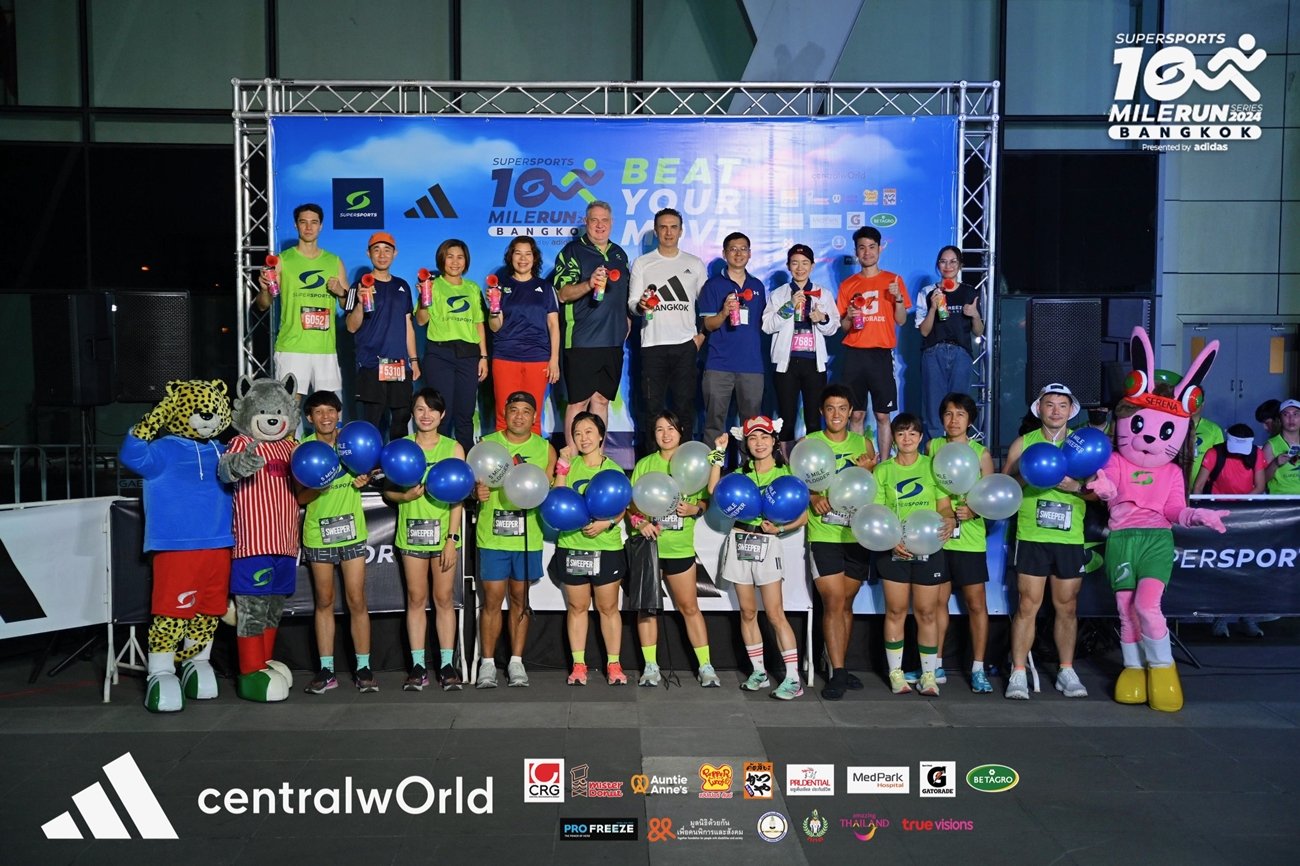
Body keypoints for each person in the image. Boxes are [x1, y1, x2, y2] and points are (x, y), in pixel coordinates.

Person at [1002, 384, 1092, 701]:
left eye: (1062, 405)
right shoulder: (1024, 443)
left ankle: (1066, 670)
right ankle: (1018, 672)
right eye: (1049, 404)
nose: (1055, 410)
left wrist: (1076, 487)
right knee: (1027, 605)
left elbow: (1100, 492)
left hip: (1069, 537)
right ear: (1039, 409)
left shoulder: (1082, 445)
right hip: (1032, 536)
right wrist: (1027, 475)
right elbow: (1003, 487)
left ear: (1071, 411)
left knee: (1067, 606)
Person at [707, 416, 806, 700]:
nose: (759, 443)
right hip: (739, 542)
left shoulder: (785, 475)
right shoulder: (741, 475)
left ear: (774, 441)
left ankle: (793, 679)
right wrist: (718, 453)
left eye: (764, 437)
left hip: (767, 545)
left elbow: (803, 515)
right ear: (746, 444)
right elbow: (713, 490)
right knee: (748, 612)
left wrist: (780, 529)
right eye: (753, 438)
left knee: (775, 614)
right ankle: (759, 672)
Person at [382, 388, 465, 692]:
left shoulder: (453, 448)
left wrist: (452, 539)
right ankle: (418, 667)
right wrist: (404, 497)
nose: (426, 415)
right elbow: (387, 491)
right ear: (413, 413)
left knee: (443, 599)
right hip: (411, 537)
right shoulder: (401, 447)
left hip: (443, 539)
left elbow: (458, 498)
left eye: (432, 410)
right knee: (416, 599)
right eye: (420, 409)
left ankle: (446, 665)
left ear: (442, 415)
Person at [628, 410, 719, 687]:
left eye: (670, 428)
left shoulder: (694, 462)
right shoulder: (645, 464)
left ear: (680, 432)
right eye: (659, 429)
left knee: (689, 607)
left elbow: (706, 500)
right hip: (649, 548)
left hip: (679, 549)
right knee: (647, 609)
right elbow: (630, 504)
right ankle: (651, 667)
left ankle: (706, 667)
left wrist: (695, 509)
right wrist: (640, 522)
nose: (665, 434)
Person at [473, 391, 556, 688]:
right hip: (493, 539)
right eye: (513, 410)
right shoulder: (487, 444)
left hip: (527, 538)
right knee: (492, 600)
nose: (519, 416)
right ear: (505, 413)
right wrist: (476, 492)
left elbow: (549, 490)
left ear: (534, 417)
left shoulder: (545, 449)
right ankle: (487, 664)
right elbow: (471, 485)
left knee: (521, 599)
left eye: (525, 411)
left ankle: (516, 662)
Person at [800, 384, 876, 700]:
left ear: (850, 412)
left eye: (842, 408)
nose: (836, 414)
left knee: (846, 602)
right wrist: (812, 496)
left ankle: (834, 663)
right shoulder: (808, 443)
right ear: (822, 411)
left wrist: (867, 471)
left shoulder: (864, 444)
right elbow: (795, 485)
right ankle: (840, 673)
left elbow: (873, 489)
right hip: (824, 535)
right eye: (830, 408)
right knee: (833, 601)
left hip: (855, 534)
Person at [297, 391, 375, 694]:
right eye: (318, 412)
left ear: (338, 414)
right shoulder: (303, 449)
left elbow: (369, 468)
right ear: (309, 418)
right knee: (325, 601)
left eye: (330, 411)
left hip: (352, 533)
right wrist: (319, 485)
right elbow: (300, 498)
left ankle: (364, 668)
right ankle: (326, 670)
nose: (325, 417)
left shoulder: (351, 443)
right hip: (319, 535)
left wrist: (363, 479)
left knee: (357, 600)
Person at [872, 413, 956, 697]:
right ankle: (896, 674)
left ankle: (928, 675)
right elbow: (877, 512)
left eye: (912, 433)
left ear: (920, 438)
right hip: (894, 551)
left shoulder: (932, 467)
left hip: (928, 550)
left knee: (927, 613)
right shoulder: (883, 471)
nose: (906, 439)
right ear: (893, 438)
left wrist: (950, 519)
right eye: (901, 433)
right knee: (895, 611)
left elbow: (944, 506)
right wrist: (890, 540)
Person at [917, 392, 995, 694]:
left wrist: (975, 510)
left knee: (976, 605)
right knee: (937, 603)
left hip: (970, 541)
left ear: (970, 419)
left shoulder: (980, 453)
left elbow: (990, 496)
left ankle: (978, 668)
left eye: (960, 414)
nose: (954, 420)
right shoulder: (932, 447)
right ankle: (934, 664)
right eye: (949, 414)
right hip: (938, 539)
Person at [551, 412, 629, 686]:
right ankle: (579, 666)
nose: (583, 438)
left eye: (588, 432)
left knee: (608, 607)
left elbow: (621, 506)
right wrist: (561, 468)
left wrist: (606, 523)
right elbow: (557, 500)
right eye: (577, 433)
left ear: (600, 436)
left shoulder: (613, 469)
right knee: (577, 606)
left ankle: (614, 665)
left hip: (606, 548)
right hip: (572, 546)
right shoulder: (569, 465)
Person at [553, 201, 631, 449]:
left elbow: (623, 294)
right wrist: (589, 284)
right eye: (594, 220)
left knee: (602, 401)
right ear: (586, 222)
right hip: (582, 341)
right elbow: (562, 294)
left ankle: (597, 458)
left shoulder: (619, 254)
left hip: (613, 341)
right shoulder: (572, 251)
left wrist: (627, 319)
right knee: (578, 402)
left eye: (604, 220)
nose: (600, 225)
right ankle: (572, 460)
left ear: (612, 223)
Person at [629, 208, 706, 453]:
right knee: (652, 409)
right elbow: (632, 304)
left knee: (684, 408)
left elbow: (706, 307)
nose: (668, 232)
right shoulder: (643, 263)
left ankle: (685, 463)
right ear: (656, 231)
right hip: (653, 346)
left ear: (681, 231)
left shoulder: (694, 263)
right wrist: (641, 306)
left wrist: (700, 337)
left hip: (685, 346)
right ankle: (653, 464)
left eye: (673, 227)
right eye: (663, 227)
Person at [258, 203, 349, 403]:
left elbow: (346, 304)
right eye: (303, 222)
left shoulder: (334, 261)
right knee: (289, 408)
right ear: (296, 225)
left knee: (329, 410)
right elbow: (263, 305)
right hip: (292, 347)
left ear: (321, 226)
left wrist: (341, 292)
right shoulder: (282, 260)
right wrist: (264, 289)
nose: (308, 227)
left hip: (325, 349)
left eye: (314, 222)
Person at [837, 226, 910, 458]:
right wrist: (849, 316)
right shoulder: (848, 285)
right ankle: (859, 462)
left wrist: (898, 298)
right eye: (862, 247)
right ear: (856, 252)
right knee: (856, 414)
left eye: (871, 247)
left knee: (882, 415)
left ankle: (884, 463)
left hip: (881, 354)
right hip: (854, 354)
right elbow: (844, 327)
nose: (867, 252)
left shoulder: (893, 280)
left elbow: (901, 320)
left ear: (880, 249)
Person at [763, 244, 839, 453]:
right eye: (795, 263)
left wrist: (822, 318)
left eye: (805, 263)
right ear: (788, 266)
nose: (800, 268)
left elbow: (833, 328)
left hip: (814, 364)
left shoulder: (823, 294)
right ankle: (787, 461)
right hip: (786, 364)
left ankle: (813, 462)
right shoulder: (779, 294)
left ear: (812, 266)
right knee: (786, 418)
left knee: (814, 419)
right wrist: (789, 306)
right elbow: (767, 326)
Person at [1193, 423, 1265, 638]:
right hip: (1217, 517)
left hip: (1246, 519)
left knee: (1248, 568)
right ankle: (1220, 617)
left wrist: (1240, 507)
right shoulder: (1214, 453)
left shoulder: (1257, 453)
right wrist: (1197, 512)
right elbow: (1198, 487)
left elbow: (1260, 486)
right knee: (1220, 569)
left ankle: (1247, 617)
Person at [345, 232, 420, 441]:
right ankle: (370, 463)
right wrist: (360, 303)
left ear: (395, 254)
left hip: (399, 365)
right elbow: (350, 327)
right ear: (368, 253)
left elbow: (408, 325)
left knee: (401, 421)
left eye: (387, 250)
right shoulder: (357, 286)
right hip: (371, 364)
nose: (382, 255)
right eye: (376, 250)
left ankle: (398, 462)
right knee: (372, 423)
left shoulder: (403, 286)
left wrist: (414, 360)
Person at [415, 239, 487, 454]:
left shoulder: (472, 288)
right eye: (450, 257)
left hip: (468, 355)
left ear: (466, 261)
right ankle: (440, 461)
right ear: (442, 259)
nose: (455, 262)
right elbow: (421, 320)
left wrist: (484, 357)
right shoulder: (432, 285)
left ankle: (465, 464)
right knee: (441, 412)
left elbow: (479, 324)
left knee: (465, 414)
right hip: (439, 355)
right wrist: (424, 299)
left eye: (460, 257)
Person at [699, 232, 767, 446]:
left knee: (752, 426)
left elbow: (764, 323)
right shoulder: (712, 285)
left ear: (750, 253)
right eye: (733, 249)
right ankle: (713, 465)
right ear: (724, 253)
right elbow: (708, 325)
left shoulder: (757, 286)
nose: (738, 254)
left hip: (751, 366)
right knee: (714, 424)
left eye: (743, 249)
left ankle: (748, 466)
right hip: (719, 365)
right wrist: (723, 313)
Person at [487, 236, 559, 435]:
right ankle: (502, 456)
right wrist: (493, 310)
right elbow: (495, 327)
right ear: (511, 257)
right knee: (504, 414)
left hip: (538, 358)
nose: (523, 258)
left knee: (532, 415)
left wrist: (554, 360)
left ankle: (533, 455)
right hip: (505, 357)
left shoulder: (546, 288)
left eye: (528, 254)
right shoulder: (499, 287)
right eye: (518, 253)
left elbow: (554, 325)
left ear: (534, 258)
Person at [915, 246, 983, 442]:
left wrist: (975, 315)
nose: (948, 266)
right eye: (943, 261)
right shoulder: (927, 292)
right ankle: (935, 452)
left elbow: (978, 331)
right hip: (933, 353)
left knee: (959, 407)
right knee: (933, 407)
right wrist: (933, 308)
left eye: (953, 261)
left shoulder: (970, 292)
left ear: (960, 265)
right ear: (938, 265)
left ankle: (959, 452)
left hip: (961, 353)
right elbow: (924, 331)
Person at [1263, 398, 1300, 494]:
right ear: (1279, 419)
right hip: (1281, 499)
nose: (1291, 419)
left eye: (1295, 414)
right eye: (1286, 414)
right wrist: (1275, 463)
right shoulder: (1270, 446)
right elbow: (1261, 481)